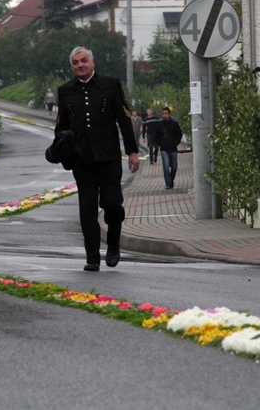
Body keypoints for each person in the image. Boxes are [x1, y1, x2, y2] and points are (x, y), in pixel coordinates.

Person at [55, 46, 140, 272]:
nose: (80, 65)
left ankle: (113, 243)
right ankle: (92, 257)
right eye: (75, 62)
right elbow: (61, 127)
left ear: (92, 62)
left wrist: (132, 151)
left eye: (84, 61)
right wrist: (61, 150)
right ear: (72, 66)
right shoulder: (65, 91)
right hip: (82, 162)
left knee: (112, 205)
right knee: (87, 210)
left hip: (109, 158)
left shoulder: (110, 84)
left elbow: (124, 119)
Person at [154, 106, 183, 190]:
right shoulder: (159, 125)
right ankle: (168, 183)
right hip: (164, 149)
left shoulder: (174, 124)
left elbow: (179, 134)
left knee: (174, 167)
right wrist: (161, 144)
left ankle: (171, 180)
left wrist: (175, 143)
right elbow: (156, 137)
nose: (165, 115)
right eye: (163, 114)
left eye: (166, 113)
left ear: (169, 114)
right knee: (166, 166)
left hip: (173, 148)